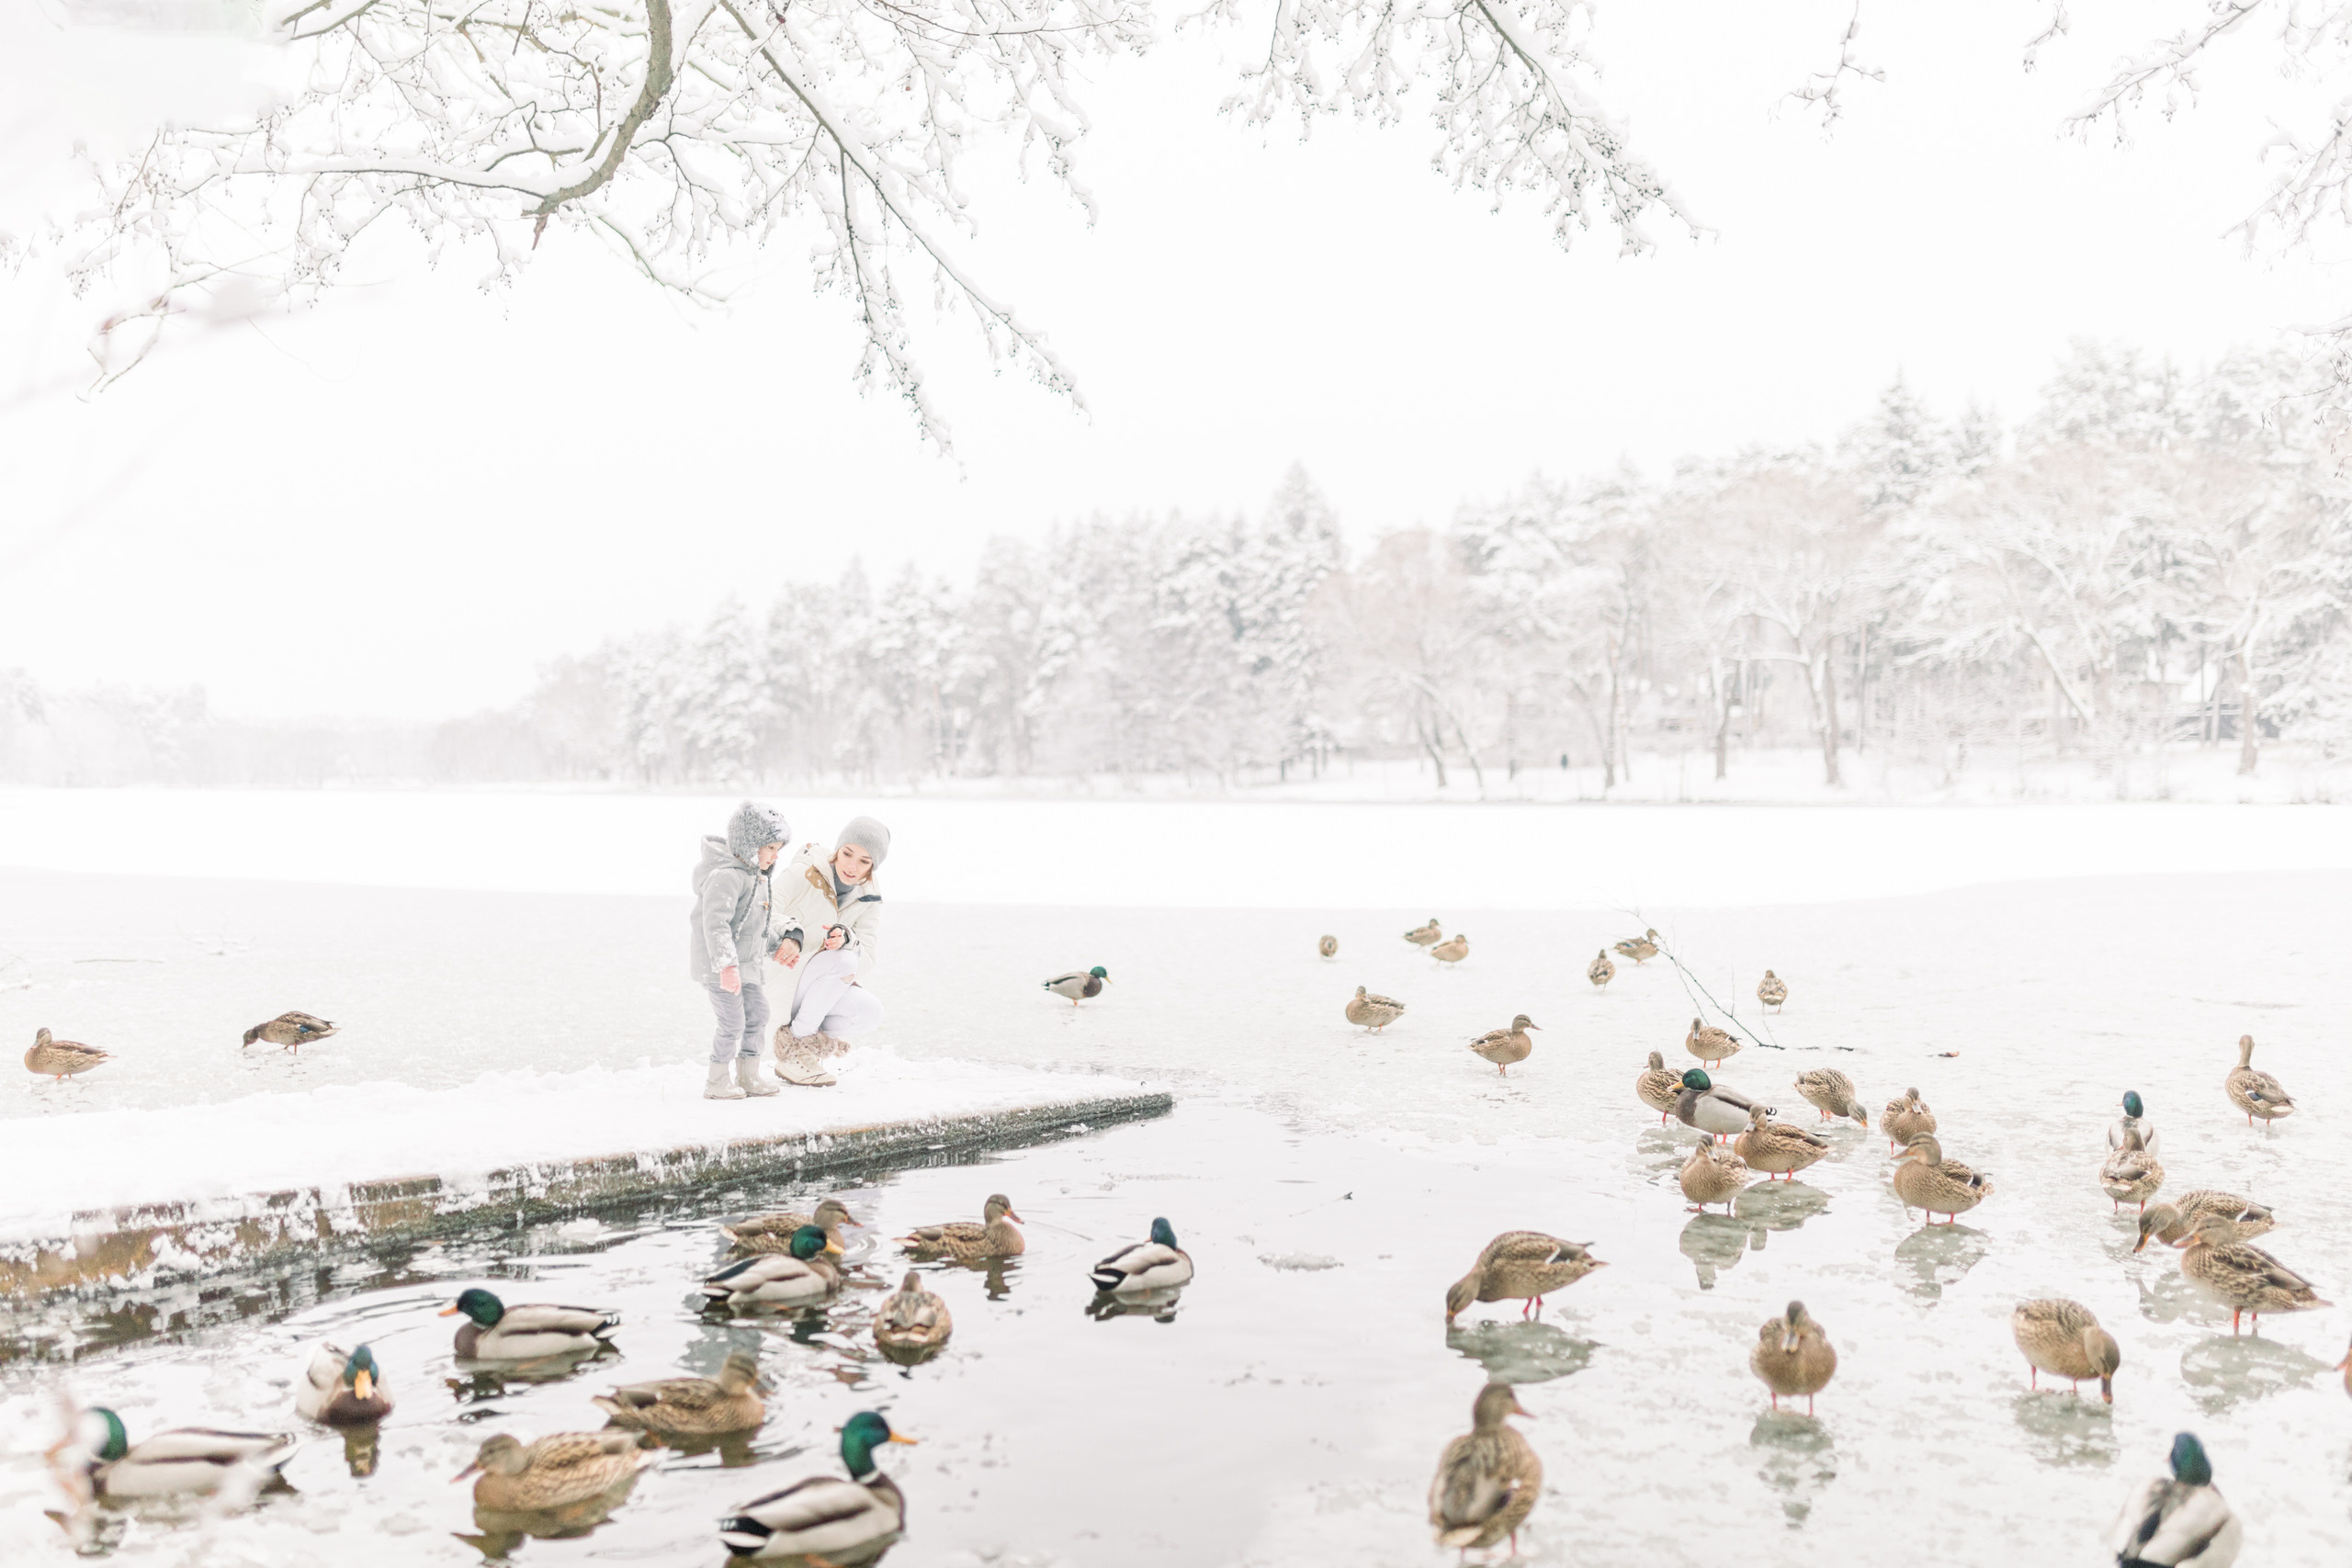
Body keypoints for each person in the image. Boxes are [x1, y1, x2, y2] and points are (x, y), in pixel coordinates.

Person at [767, 816, 890, 1087]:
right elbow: (762, 907)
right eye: (847, 853)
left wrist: (847, 939)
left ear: (873, 866)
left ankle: (799, 1040)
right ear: (838, 848)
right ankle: (793, 1051)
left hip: (819, 985)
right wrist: (791, 933)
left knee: (869, 1013)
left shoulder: (869, 897)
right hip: (780, 975)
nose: (851, 865)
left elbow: (867, 959)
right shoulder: (805, 872)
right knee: (843, 961)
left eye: (864, 861)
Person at [691, 801, 795, 1100]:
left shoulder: (756, 878)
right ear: (751, 845)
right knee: (732, 1022)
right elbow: (716, 925)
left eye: (778, 850)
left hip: (747, 967)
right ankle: (717, 1080)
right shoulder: (726, 877)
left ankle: (748, 1075)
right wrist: (726, 965)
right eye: (771, 848)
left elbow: (756, 925)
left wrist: (776, 946)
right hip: (721, 968)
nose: (776, 857)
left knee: (758, 1014)